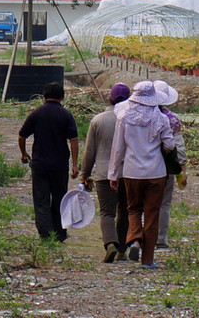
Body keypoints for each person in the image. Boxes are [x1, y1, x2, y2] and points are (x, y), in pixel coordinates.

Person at [109, 80, 175, 269]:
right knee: (152, 214)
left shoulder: (124, 118)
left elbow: (118, 149)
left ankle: (135, 240)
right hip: (156, 173)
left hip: (132, 172)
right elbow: (170, 145)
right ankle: (147, 260)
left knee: (133, 209)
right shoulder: (161, 119)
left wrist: (113, 174)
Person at [18, 82, 79, 242]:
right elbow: (73, 139)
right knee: (60, 199)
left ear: (44, 96)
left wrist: (24, 154)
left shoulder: (36, 113)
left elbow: (22, 135)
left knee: (41, 200)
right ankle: (59, 233)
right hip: (59, 165)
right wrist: (74, 164)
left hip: (40, 164)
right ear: (62, 97)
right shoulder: (66, 115)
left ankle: (46, 233)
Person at [80, 82, 131, 262]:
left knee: (107, 213)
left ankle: (110, 244)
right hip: (129, 173)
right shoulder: (132, 119)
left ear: (110, 98)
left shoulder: (99, 120)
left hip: (104, 173)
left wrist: (85, 173)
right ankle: (123, 250)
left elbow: (90, 151)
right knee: (125, 211)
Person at [153, 80, 188, 249]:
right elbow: (178, 145)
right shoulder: (173, 119)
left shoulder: (141, 116)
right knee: (164, 203)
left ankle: (143, 234)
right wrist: (182, 169)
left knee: (145, 201)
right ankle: (161, 238)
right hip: (166, 165)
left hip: (145, 163)